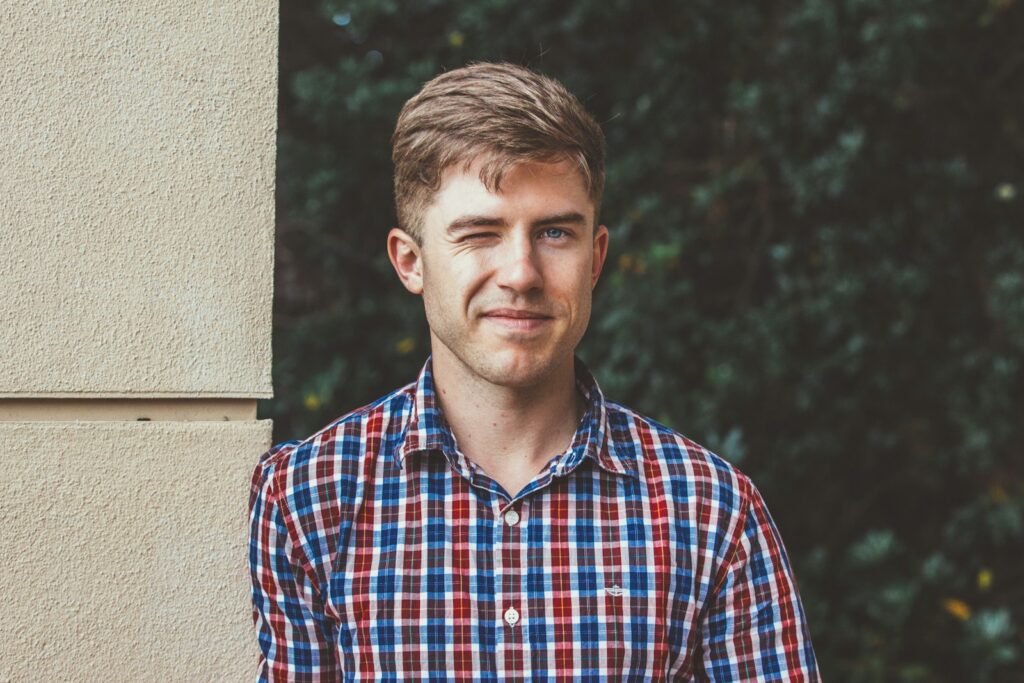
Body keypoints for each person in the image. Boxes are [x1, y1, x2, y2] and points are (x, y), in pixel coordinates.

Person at [249, 62, 820, 681]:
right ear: (411, 262)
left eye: (553, 233)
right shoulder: (310, 498)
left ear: (595, 258)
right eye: (480, 234)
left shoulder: (711, 511)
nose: (521, 273)